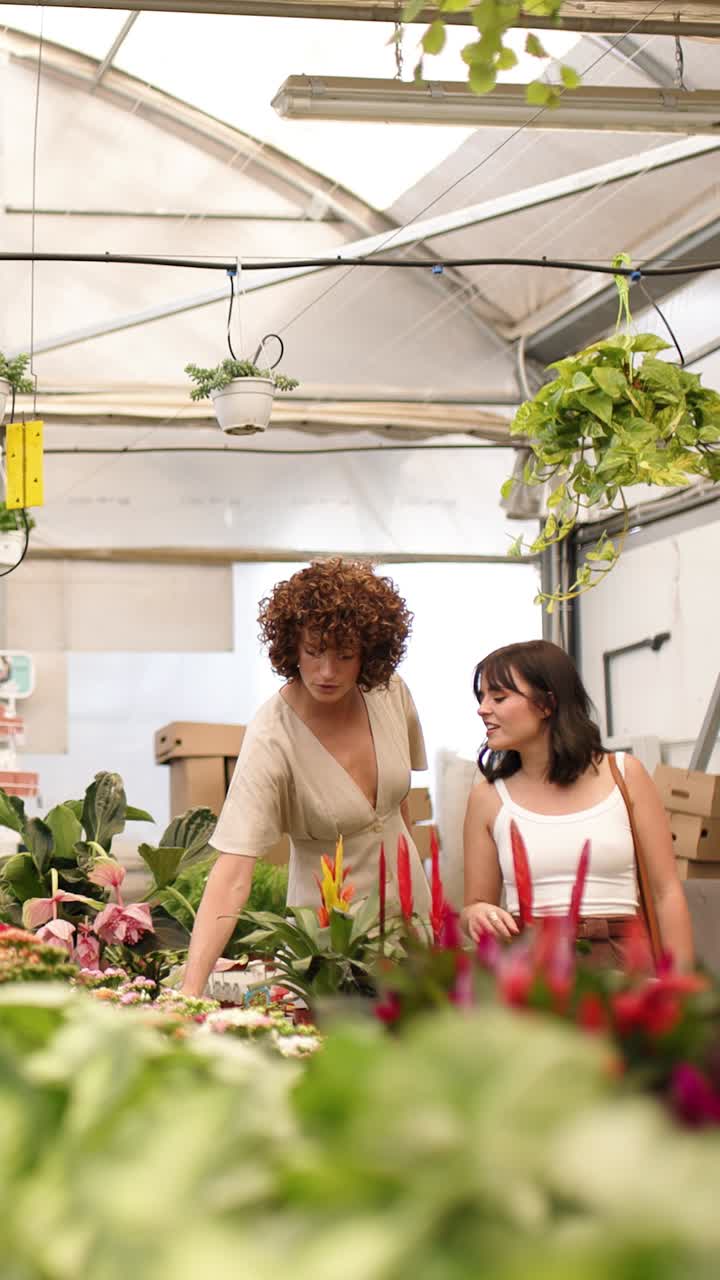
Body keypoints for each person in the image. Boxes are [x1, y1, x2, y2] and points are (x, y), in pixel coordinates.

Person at [182, 557, 430, 996]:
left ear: (370, 653)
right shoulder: (272, 735)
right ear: (292, 647)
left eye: (345, 654)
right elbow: (233, 871)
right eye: (314, 652)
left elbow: (401, 806)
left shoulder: (391, 692)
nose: (327, 671)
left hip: (413, 922)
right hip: (331, 944)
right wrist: (190, 991)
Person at [462, 639, 694, 970]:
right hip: (532, 969)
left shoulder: (625, 774)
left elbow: (665, 892)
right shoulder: (487, 798)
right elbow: (474, 904)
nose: (483, 708)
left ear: (547, 704)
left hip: (626, 963)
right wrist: (475, 913)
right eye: (481, 697)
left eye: (498, 697)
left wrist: (680, 986)